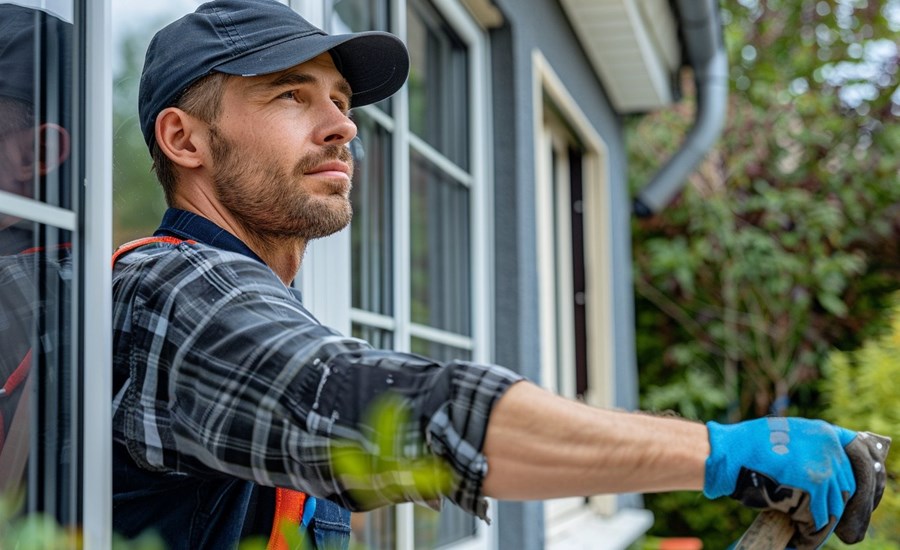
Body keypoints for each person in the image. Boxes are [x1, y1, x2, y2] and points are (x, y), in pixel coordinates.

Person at [112, 1, 888, 549]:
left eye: (343, 100)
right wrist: (722, 452)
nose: (343, 124)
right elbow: (385, 413)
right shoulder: (174, 295)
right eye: (291, 95)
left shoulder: (254, 302)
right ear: (186, 139)